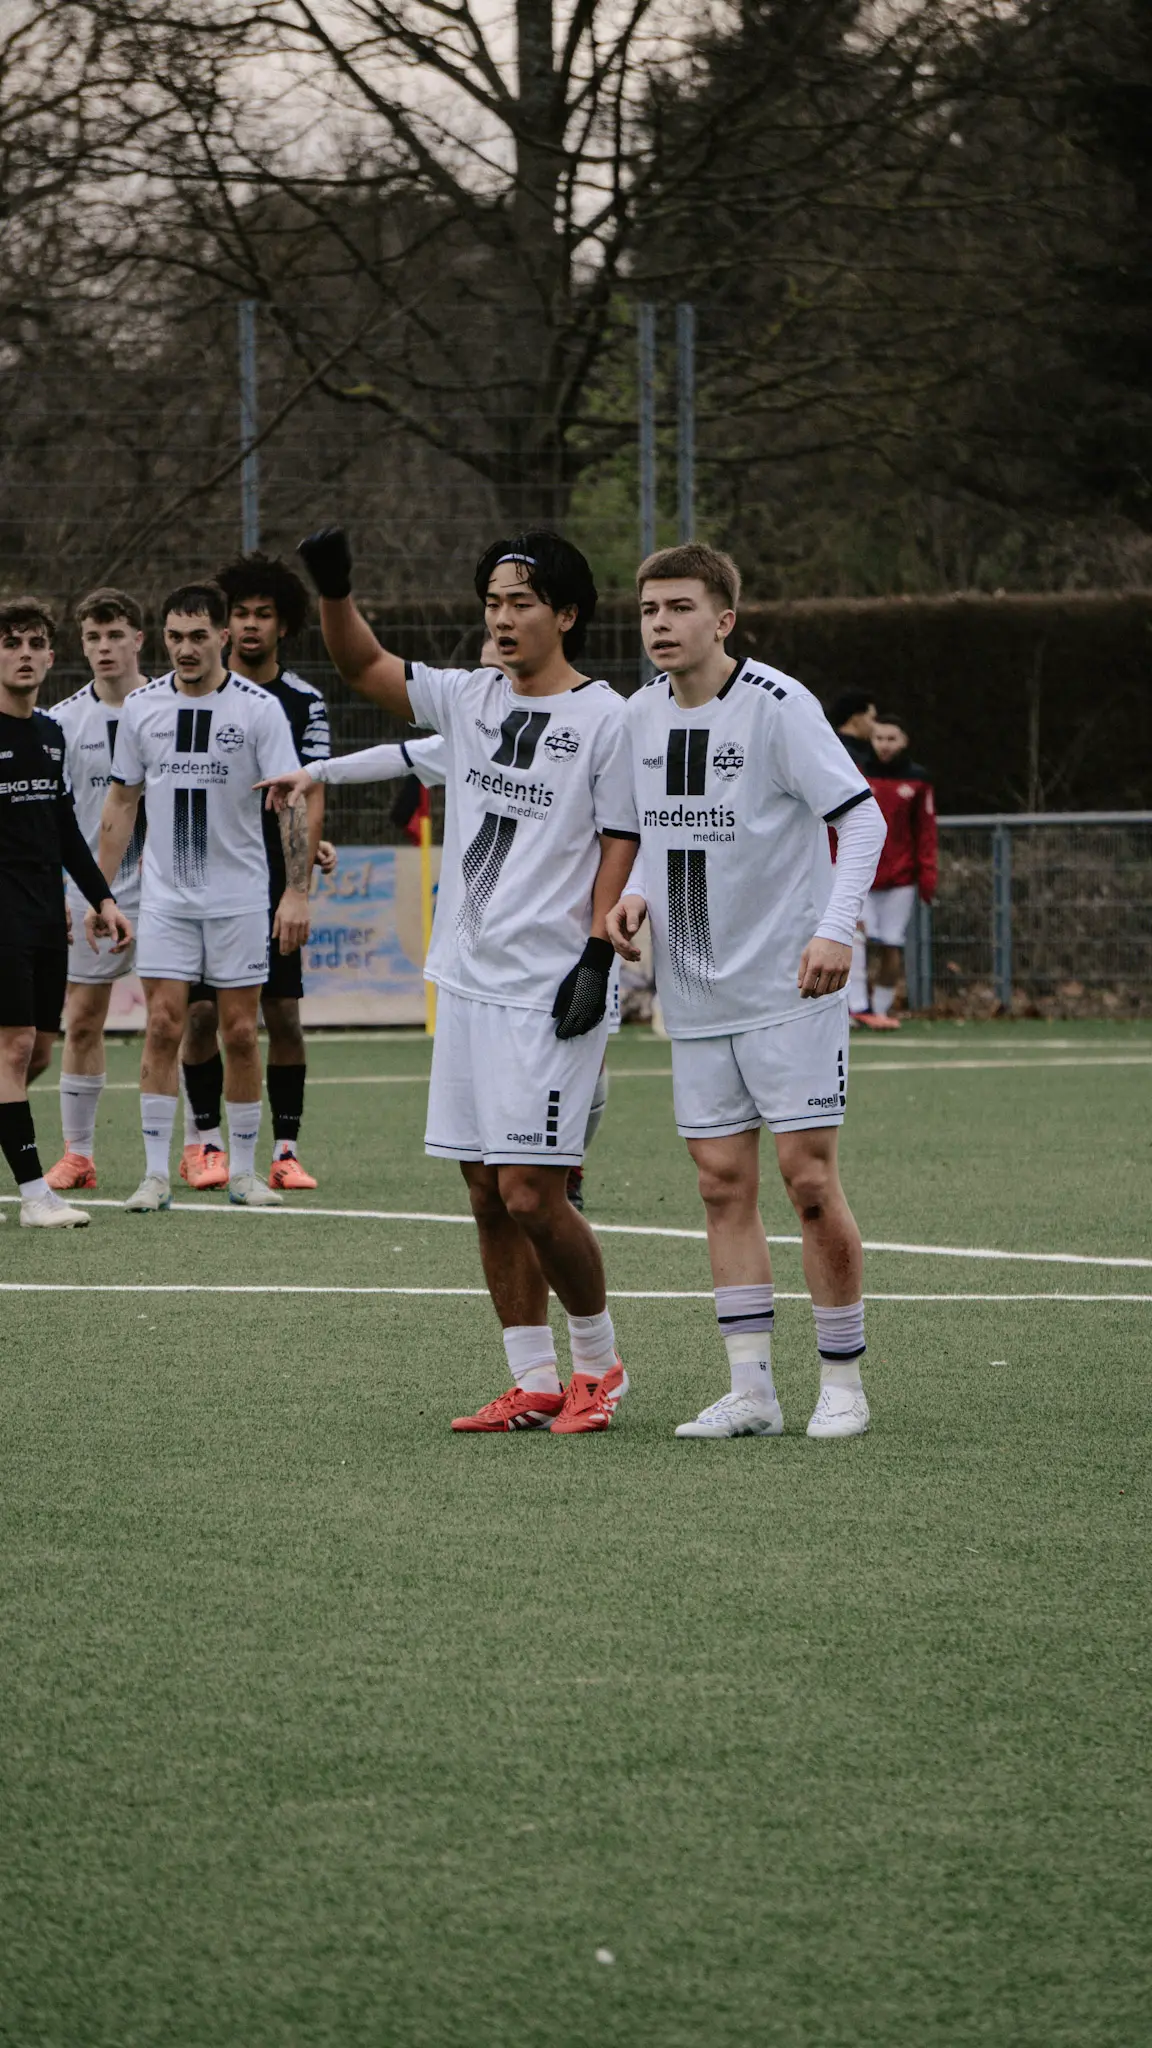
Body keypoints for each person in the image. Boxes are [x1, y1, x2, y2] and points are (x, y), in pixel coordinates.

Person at [271, 524, 639, 1434]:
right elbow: (364, 666)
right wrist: (335, 588)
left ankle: (601, 1367)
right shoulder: (470, 697)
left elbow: (624, 840)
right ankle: (535, 1380)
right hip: (468, 984)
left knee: (532, 1193)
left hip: (554, 992)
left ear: (567, 613)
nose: (503, 619)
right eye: (493, 605)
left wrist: (597, 955)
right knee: (482, 1188)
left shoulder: (610, 718)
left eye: (520, 604)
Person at [607, 543, 886, 1441]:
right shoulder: (640, 714)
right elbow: (655, 828)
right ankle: (752, 1391)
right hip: (694, 998)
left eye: (680, 608)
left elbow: (862, 817)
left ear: (723, 620)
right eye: (650, 609)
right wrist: (637, 891)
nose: (661, 624)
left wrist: (835, 929)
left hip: (787, 988)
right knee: (721, 1184)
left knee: (807, 1182)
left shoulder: (779, 707)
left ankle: (841, 1382)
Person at [270, 718, 618, 1208]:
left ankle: (569, 1165)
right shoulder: (475, 730)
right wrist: (320, 770)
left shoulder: (594, 725)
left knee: (587, 1059)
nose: (495, 665)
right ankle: (532, 1170)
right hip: (485, 956)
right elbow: (398, 754)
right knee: (496, 1156)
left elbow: (627, 830)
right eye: (488, 654)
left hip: (567, 946)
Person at [90, 581, 310, 1211]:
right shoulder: (142, 708)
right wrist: (101, 894)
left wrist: (295, 890)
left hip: (241, 896)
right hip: (166, 899)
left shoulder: (258, 709)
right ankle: (156, 1175)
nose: (185, 649)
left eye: (197, 636)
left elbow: (291, 797)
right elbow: (122, 800)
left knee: (241, 1033)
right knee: (163, 1025)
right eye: (175, 637)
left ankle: (243, 1172)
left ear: (222, 636)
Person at [177, 553, 333, 1191]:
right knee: (200, 1017)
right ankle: (204, 1143)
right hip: (199, 877)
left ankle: (285, 1149)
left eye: (262, 615)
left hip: (271, 876)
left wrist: (300, 878)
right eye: (238, 613)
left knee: (283, 1016)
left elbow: (312, 792)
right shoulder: (186, 694)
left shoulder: (302, 702)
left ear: (284, 626)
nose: (248, 626)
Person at [0, 598, 132, 1227]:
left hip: (44, 916)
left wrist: (101, 897)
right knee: (14, 1046)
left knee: (39, 1054)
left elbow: (64, 830)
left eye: (34, 644)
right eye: (9, 643)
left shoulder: (51, 735)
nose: (23, 654)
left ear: (51, 656)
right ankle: (34, 1196)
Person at [46, 588, 151, 1191]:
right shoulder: (62, 722)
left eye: (115, 635)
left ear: (139, 639)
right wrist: (66, 888)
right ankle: (79, 1154)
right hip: (92, 894)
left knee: (182, 1019)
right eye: (93, 637)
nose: (104, 647)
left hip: (169, 892)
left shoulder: (169, 706)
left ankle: (197, 1148)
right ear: (81, 645)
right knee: (82, 1020)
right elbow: (51, 819)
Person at [852, 713, 938, 1030]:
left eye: (892, 739)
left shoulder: (917, 780)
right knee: (856, 937)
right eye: (879, 738)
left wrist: (927, 875)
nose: (885, 745)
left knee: (891, 943)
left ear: (903, 742)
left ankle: (881, 1009)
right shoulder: (855, 773)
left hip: (901, 879)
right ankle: (857, 1008)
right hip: (862, 873)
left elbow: (926, 831)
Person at [830, 690, 880, 1027]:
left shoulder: (863, 754)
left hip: (850, 855)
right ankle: (851, 1006)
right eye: (872, 717)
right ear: (856, 717)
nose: (875, 725)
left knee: (859, 932)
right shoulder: (840, 752)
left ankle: (855, 1005)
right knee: (849, 930)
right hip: (835, 855)